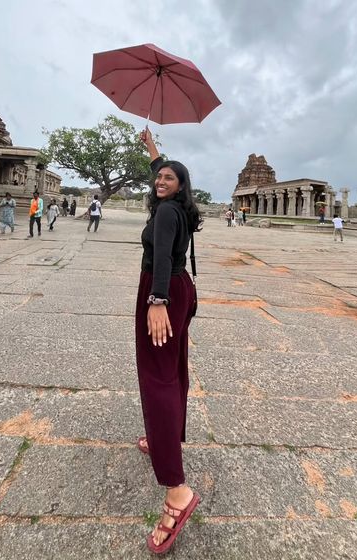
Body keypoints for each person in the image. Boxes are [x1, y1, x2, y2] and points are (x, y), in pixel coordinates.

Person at [136, 128, 201, 554]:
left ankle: (177, 490)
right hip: (182, 287)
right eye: (159, 178)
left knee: (157, 376)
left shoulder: (164, 215)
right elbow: (163, 169)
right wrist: (154, 152)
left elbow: (160, 255)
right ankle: (167, 437)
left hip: (162, 290)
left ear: (181, 188)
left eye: (168, 180)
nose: (160, 182)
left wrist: (156, 300)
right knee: (174, 367)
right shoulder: (178, 206)